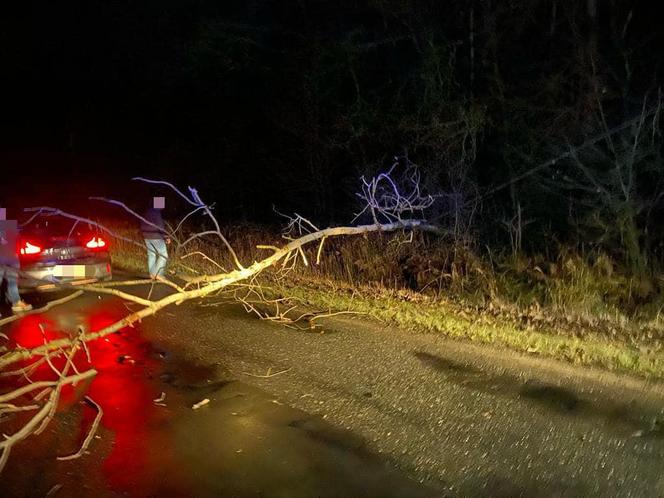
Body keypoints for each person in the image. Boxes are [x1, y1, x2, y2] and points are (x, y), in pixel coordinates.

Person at [0, 208, 32, 313]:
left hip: (11, 257)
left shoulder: (10, 224)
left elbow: (17, 238)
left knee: (13, 282)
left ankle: (16, 302)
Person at [141, 197, 169, 279]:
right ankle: (158, 274)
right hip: (156, 236)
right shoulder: (156, 212)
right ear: (158, 204)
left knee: (151, 255)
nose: (163, 205)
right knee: (164, 255)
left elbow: (141, 223)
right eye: (162, 203)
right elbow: (160, 225)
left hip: (146, 236)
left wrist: (144, 234)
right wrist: (166, 236)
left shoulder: (147, 212)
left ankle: (152, 274)